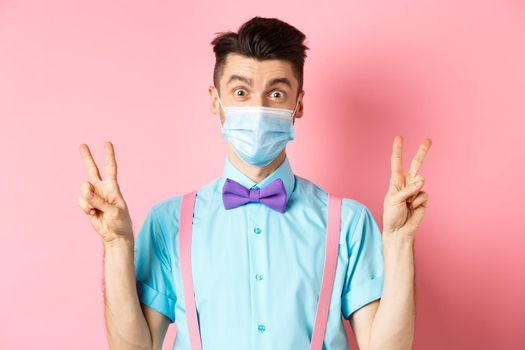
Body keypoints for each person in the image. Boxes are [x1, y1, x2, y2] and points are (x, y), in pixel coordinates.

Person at [78, 16, 431, 350]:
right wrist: (117, 243)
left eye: (276, 94)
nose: (258, 108)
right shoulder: (169, 222)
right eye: (241, 93)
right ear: (216, 102)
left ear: (299, 104)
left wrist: (399, 241)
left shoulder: (349, 223)